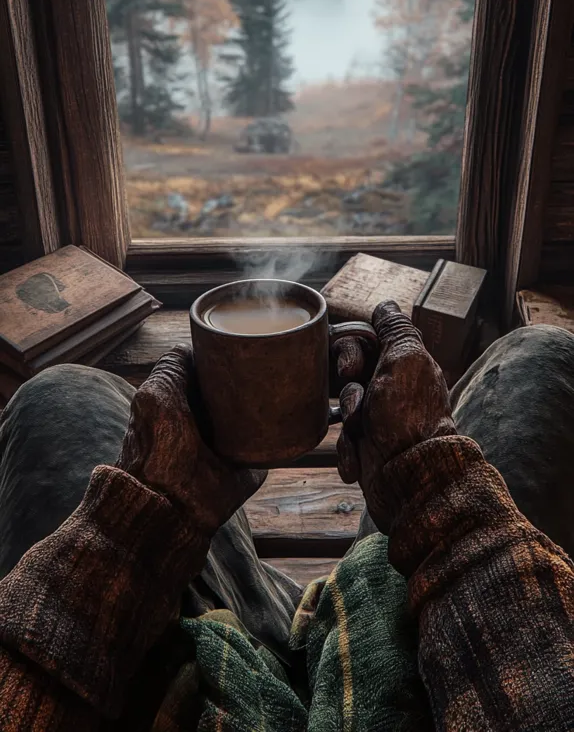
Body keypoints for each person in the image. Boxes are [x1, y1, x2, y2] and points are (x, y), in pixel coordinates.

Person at [0, 302, 572, 730]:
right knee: (543, 354)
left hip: (214, 674)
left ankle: (235, 578)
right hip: (421, 670)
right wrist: (429, 485)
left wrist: (137, 525)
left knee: (58, 394)